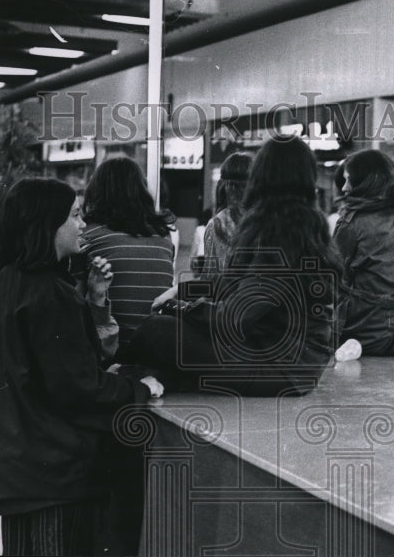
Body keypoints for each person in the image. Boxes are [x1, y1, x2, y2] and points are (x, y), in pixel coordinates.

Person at [0, 178, 163, 556]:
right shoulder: (51, 296)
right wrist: (140, 389)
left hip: (11, 468)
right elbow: (79, 388)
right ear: (47, 224)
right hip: (55, 474)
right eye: (74, 216)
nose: (82, 225)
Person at [123, 136, 341, 396]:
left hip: (281, 366)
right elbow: (233, 282)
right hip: (291, 361)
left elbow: (234, 317)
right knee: (166, 335)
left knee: (156, 330)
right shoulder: (304, 225)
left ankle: (123, 381)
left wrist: (178, 308)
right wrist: (183, 291)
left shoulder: (280, 235)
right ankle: (145, 379)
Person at [333, 149, 394, 356]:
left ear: (364, 182)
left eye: (348, 180)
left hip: (366, 334)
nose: (344, 188)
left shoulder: (353, 222)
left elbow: (330, 275)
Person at [79, 157, 176, 349]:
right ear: (142, 191)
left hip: (109, 351)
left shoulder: (88, 235)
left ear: (97, 191)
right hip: (157, 348)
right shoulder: (164, 237)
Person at [202, 152, 253, 278]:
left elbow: (210, 279)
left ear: (226, 186)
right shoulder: (268, 220)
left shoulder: (216, 225)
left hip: (226, 296)